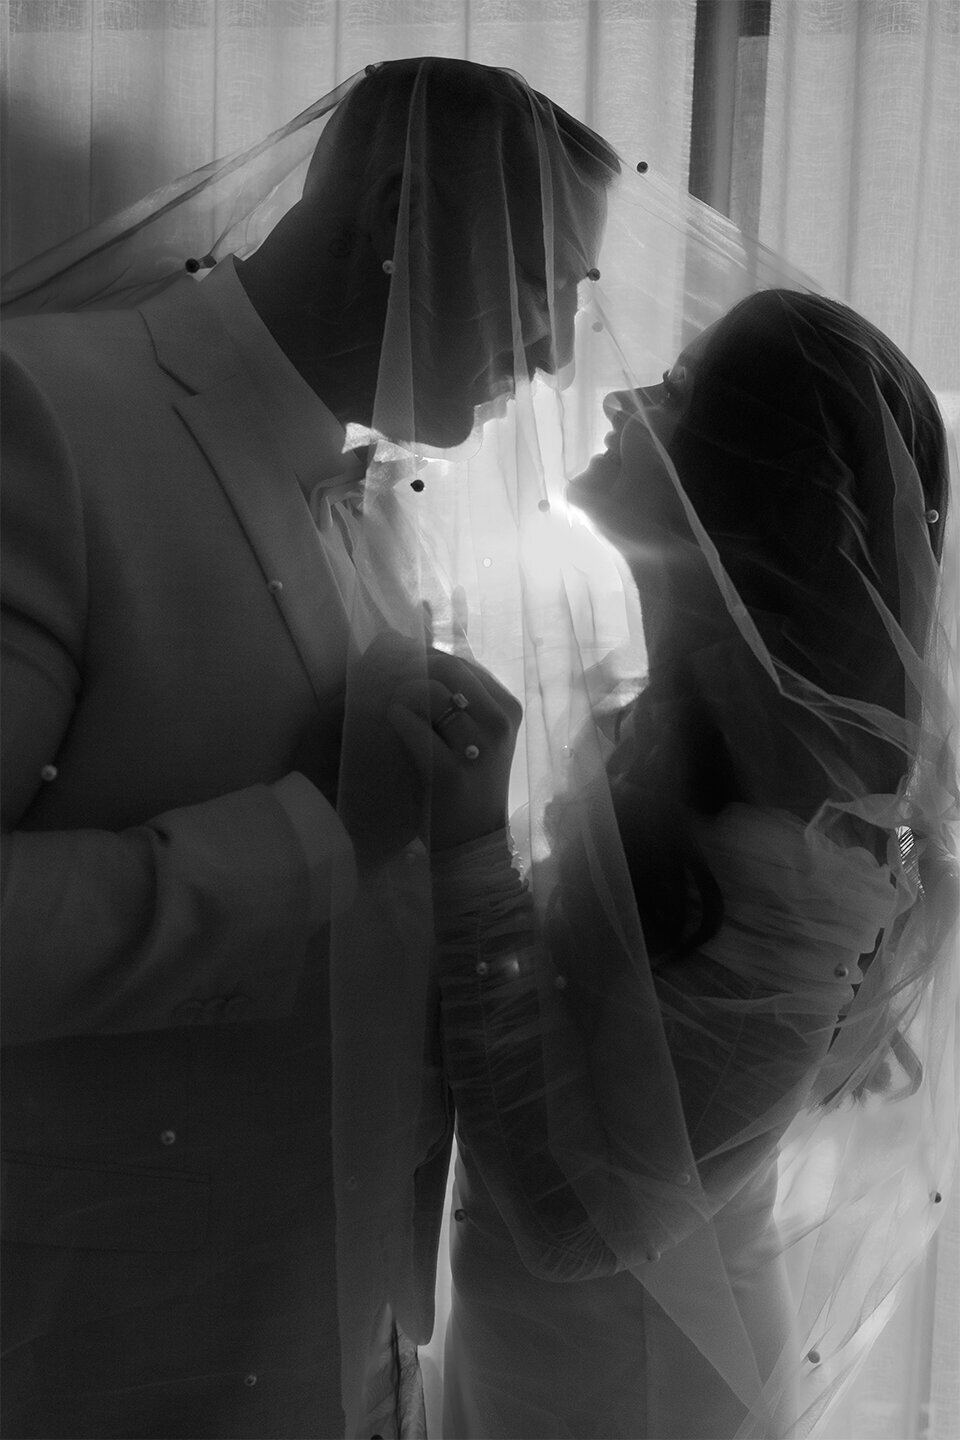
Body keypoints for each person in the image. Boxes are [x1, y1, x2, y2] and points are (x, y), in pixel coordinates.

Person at [0, 58, 617, 1439]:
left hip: (356, 1348)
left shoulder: (388, 505)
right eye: (545, 284)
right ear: (403, 213)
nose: (562, 352)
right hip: (106, 1360)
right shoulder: (43, 420)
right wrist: (319, 838)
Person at [374, 289, 958, 1437]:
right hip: (550, 1351)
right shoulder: (689, 734)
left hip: (639, 1390)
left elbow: (586, 1223)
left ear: (749, 487)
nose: (625, 396)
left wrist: (467, 854)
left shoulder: (795, 852)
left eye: (680, 394)